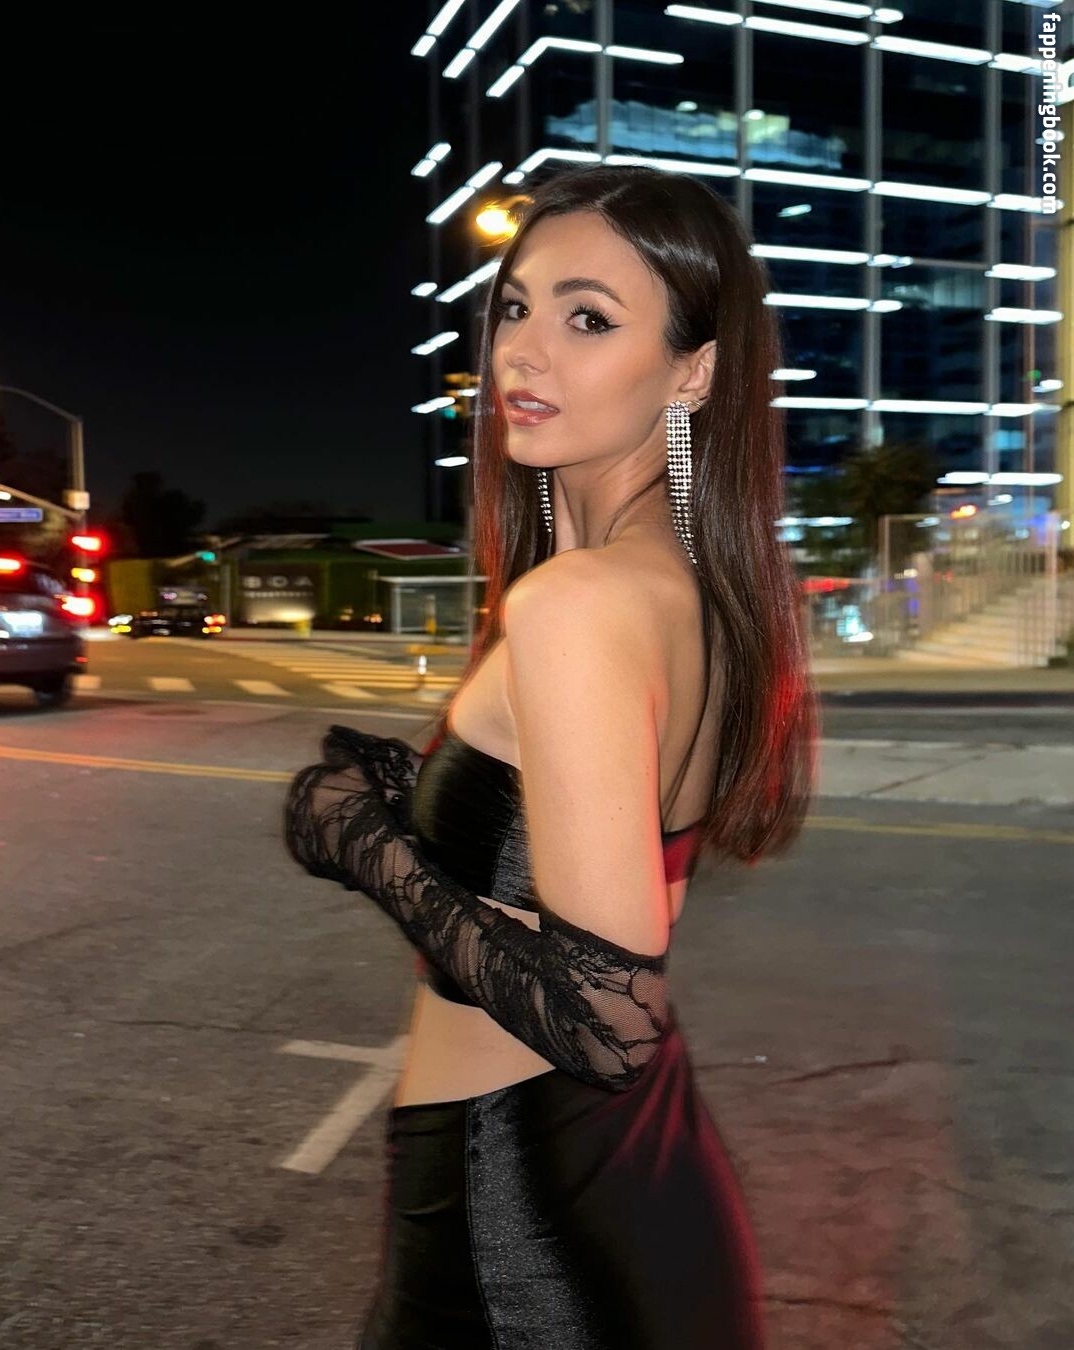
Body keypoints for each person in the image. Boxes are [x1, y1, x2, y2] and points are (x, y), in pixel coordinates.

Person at [284, 164, 817, 1350]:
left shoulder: (580, 605)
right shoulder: (688, 592)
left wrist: (367, 845)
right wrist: (413, 821)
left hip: (518, 1222)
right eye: (516, 307)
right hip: (620, 1184)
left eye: (589, 319)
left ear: (692, 372)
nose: (523, 351)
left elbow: (605, 1017)